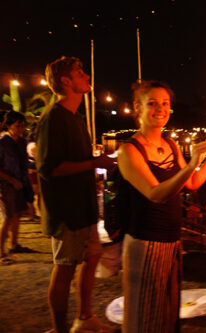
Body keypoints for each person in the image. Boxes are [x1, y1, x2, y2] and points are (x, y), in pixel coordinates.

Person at [117, 80, 206, 333]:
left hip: (172, 240)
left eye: (165, 103)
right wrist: (190, 163)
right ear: (138, 109)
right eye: (152, 103)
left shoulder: (171, 145)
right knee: (144, 317)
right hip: (145, 241)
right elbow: (155, 194)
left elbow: (193, 182)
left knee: (166, 312)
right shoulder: (129, 150)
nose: (160, 109)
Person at [37, 56, 117, 333]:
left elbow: (77, 159)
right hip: (66, 211)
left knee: (91, 258)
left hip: (84, 207)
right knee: (65, 267)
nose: (86, 76)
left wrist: (97, 160)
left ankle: (84, 318)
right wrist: (96, 163)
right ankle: (59, 329)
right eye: (79, 72)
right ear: (65, 81)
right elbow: (51, 168)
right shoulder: (53, 117)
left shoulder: (75, 116)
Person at [0, 111, 35, 264]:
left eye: (22, 125)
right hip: (5, 185)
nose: (21, 128)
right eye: (17, 125)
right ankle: (1, 252)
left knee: (17, 215)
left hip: (20, 184)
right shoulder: (2, 143)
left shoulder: (22, 143)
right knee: (7, 218)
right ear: (8, 126)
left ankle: (14, 244)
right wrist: (11, 180)